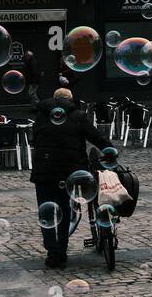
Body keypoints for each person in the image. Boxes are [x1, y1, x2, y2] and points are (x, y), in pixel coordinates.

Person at [30, 88, 115, 268]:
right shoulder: (78, 116)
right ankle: (61, 251)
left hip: (43, 172)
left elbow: (34, 140)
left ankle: (52, 251)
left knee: (46, 213)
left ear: (54, 100)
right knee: (63, 211)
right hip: (68, 173)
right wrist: (109, 150)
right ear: (70, 100)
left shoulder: (41, 117)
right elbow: (96, 137)